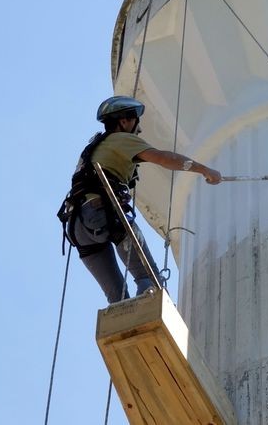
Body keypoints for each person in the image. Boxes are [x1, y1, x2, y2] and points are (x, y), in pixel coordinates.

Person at [58, 96, 221, 303]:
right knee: (150, 281)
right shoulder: (120, 139)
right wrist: (204, 170)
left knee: (118, 300)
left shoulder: (94, 148)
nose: (139, 129)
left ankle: (127, 328)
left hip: (78, 227)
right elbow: (165, 158)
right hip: (102, 214)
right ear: (124, 121)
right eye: (136, 121)